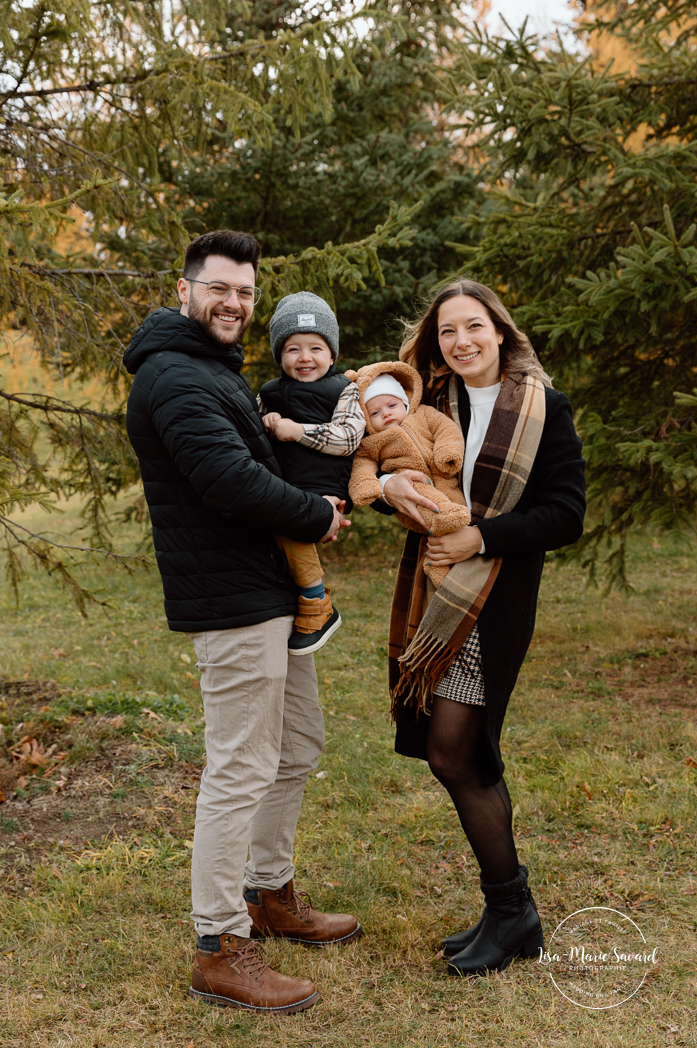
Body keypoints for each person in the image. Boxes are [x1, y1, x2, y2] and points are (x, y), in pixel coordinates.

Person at [124, 230, 361, 1016]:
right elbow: (230, 480)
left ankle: (268, 893)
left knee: (295, 745)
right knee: (239, 765)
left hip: (266, 592)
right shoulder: (173, 376)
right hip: (230, 602)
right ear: (185, 288)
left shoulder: (210, 370)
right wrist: (316, 515)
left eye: (245, 293)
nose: (232, 302)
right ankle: (220, 945)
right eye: (219, 287)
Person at [379, 280, 586, 976]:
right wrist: (392, 493)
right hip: (433, 597)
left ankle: (512, 911)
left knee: (454, 752)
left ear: (499, 331)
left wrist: (483, 537)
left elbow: (565, 513)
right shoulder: (428, 406)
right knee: (463, 756)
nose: (461, 342)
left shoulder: (541, 409)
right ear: (434, 344)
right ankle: (510, 912)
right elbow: (397, 476)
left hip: (492, 605)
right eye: (446, 333)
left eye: (473, 327)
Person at [259, 291, 364, 654]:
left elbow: (349, 437)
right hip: (282, 481)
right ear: (279, 355)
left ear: (332, 354)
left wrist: (299, 430)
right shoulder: (269, 393)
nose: (305, 358)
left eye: (315, 348)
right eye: (293, 349)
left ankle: (317, 602)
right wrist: (267, 421)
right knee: (275, 530)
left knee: (291, 528)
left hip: (324, 485)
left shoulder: (345, 391)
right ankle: (294, 596)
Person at [346, 359, 470, 587]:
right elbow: (362, 464)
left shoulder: (424, 414)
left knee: (456, 517)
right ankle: (443, 524)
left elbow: (447, 429)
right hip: (411, 487)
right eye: (375, 412)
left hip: (444, 479)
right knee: (430, 506)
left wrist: (447, 451)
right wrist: (365, 485)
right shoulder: (371, 442)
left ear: (405, 402)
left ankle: (438, 565)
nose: (386, 414)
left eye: (392, 405)